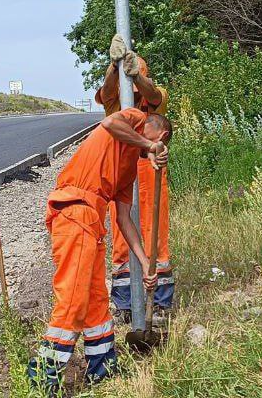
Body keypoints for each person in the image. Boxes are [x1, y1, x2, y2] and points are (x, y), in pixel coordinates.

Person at [27, 108, 172, 395]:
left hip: (92, 223)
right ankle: (43, 379)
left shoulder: (130, 164)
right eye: (159, 144)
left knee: (95, 305)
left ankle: (103, 370)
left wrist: (144, 263)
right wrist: (149, 145)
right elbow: (109, 122)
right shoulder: (133, 118)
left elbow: (123, 218)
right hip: (75, 212)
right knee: (73, 301)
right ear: (161, 135)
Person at [94, 35, 174, 320]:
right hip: (123, 177)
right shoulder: (115, 102)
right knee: (122, 240)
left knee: (155, 236)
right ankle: (126, 303)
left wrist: (136, 76)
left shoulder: (154, 101)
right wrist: (113, 69)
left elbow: (153, 94)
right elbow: (107, 91)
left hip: (151, 174)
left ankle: (161, 301)